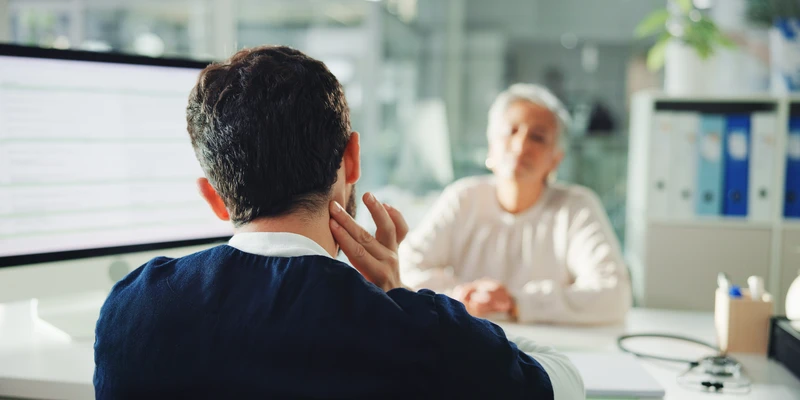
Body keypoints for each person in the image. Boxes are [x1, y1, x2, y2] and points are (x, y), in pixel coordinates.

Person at [93, 46, 584, 399]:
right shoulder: (415, 334)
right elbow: (563, 380)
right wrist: (402, 297)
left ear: (215, 199)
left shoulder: (128, 311)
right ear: (352, 160)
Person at [400, 84, 631, 326]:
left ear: (555, 160)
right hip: (464, 340)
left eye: (538, 137)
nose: (521, 146)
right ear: (491, 145)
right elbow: (405, 267)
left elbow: (614, 294)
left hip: (547, 351)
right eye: (511, 131)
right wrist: (458, 296)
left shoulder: (576, 208)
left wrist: (515, 303)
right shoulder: (463, 197)